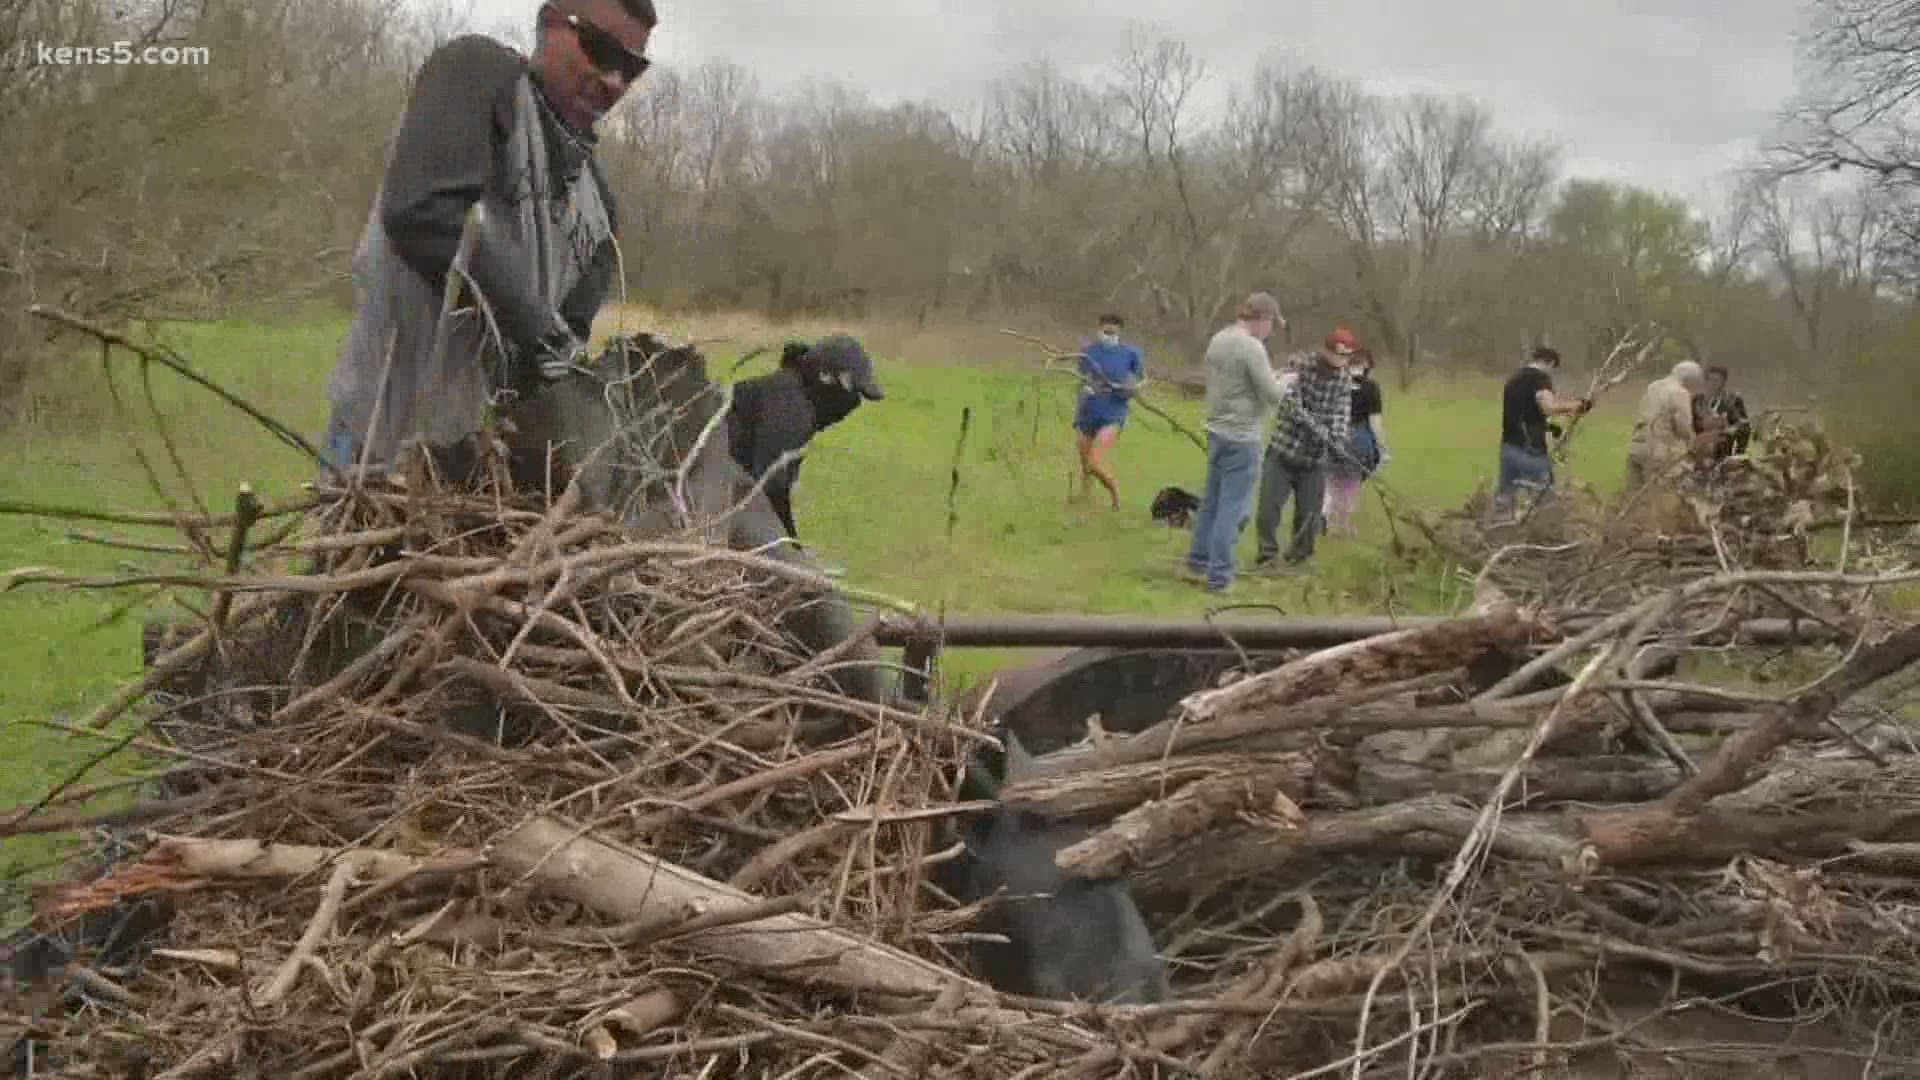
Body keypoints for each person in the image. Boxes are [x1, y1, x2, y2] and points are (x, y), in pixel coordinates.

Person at [320, 0, 656, 476]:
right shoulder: (479, 73)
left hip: (486, 485)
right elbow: (424, 212)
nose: (615, 81)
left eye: (632, 68)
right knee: (348, 549)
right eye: (601, 51)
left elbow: (559, 364)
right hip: (375, 444)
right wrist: (540, 332)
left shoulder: (600, 211)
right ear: (549, 24)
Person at [725, 334, 886, 570]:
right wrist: (794, 556)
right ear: (826, 377)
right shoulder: (792, 410)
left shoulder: (788, 391)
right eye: (852, 389)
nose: (853, 403)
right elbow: (769, 490)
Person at [1184, 293, 1288, 594]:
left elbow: (1237, 381)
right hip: (1242, 437)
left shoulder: (1220, 338)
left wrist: (1272, 376)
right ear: (1264, 319)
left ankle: (1197, 562)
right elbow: (1273, 395)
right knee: (1233, 508)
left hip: (1217, 430)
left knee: (1211, 503)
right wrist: (1287, 381)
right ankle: (1219, 577)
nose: (1271, 331)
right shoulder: (1252, 346)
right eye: (1272, 324)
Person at [1253, 327, 1356, 571]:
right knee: (1268, 509)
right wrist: (1316, 426)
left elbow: (1342, 413)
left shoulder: (1344, 379)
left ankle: (1298, 559)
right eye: (1337, 355)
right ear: (1325, 350)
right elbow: (1288, 403)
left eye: (1346, 357)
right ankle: (1267, 557)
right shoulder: (1299, 365)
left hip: (1314, 460)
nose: (1341, 362)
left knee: (1309, 516)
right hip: (1283, 451)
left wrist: (1338, 440)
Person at [1494, 346, 1590, 516]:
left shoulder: (1514, 379)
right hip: (1530, 450)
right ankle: (1545, 537)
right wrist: (1578, 405)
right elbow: (1548, 407)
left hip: (1508, 446)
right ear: (1551, 363)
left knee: (1505, 498)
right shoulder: (1540, 378)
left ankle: (1500, 536)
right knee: (1545, 499)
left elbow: (1522, 412)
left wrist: (1548, 427)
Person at [1072, 314, 1144, 510]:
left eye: (1112, 332)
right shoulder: (1089, 352)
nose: (1108, 335)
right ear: (1099, 330)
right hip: (1088, 410)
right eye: (1105, 331)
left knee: (1095, 462)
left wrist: (1132, 388)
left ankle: (1114, 492)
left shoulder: (1131, 354)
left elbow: (1140, 380)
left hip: (1114, 410)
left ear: (1120, 332)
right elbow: (1082, 376)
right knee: (1085, 463)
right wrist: (1084, 388)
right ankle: (1084, 497)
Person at [1324, 346, 1387, 538]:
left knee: (1334, 482)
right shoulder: (1371, 387)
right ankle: (1344, 524)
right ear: (1367, 365)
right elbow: (1375, 423)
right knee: (1351, 483)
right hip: (1359, 438)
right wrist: (1382, 447)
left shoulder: (1333, 383)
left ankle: (1333, 522)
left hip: (1333, 437)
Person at [1626, 360, 1706, 493]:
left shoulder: (1653, 386)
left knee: (1633, 499)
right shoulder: (1680, 392)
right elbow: (1683, 428)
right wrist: (1694, 444)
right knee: (1662, 498)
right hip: (1660, 454)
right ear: (1689, 380)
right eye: (1695, 384)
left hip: (1637, 448)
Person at [1696, 364, 1751, 460]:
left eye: (1716, 380)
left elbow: (1743, 425)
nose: (1712, 383)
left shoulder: (1732, 400)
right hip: (1699, 450)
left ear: (1723, 382)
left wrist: (1739, 451)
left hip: (1723, 450)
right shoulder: (1697, 400)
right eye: (1710, 380)